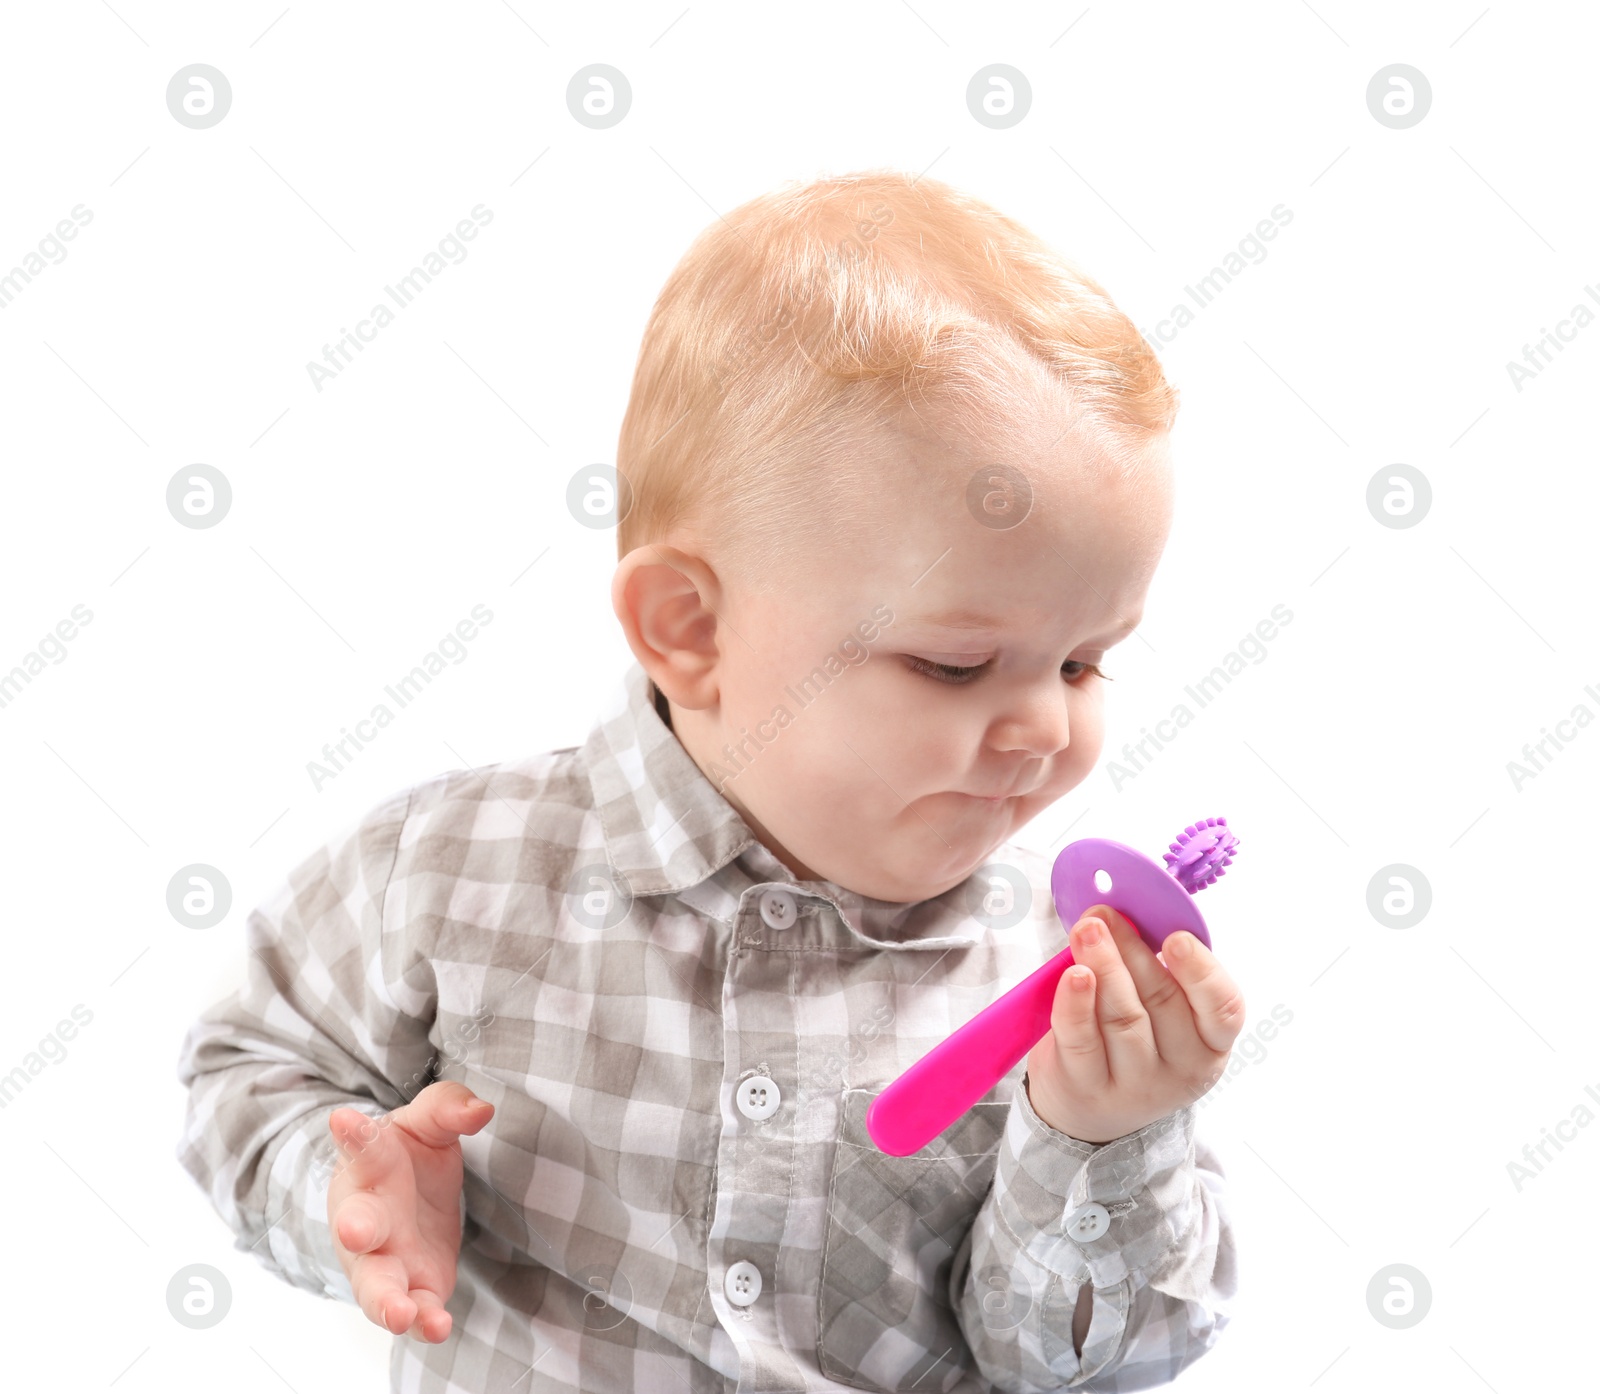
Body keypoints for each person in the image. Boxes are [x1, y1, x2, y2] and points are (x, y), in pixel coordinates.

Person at [176, 168, 1242, 1392]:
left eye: (1082, 658)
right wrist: (341, 1181)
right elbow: (246, 1065)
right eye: (955, 664)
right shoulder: (452, 870)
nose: (1042, 726)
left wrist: (1099, 1139)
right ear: (689, 626)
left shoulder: (1051, 985)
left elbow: (1078, 1361)